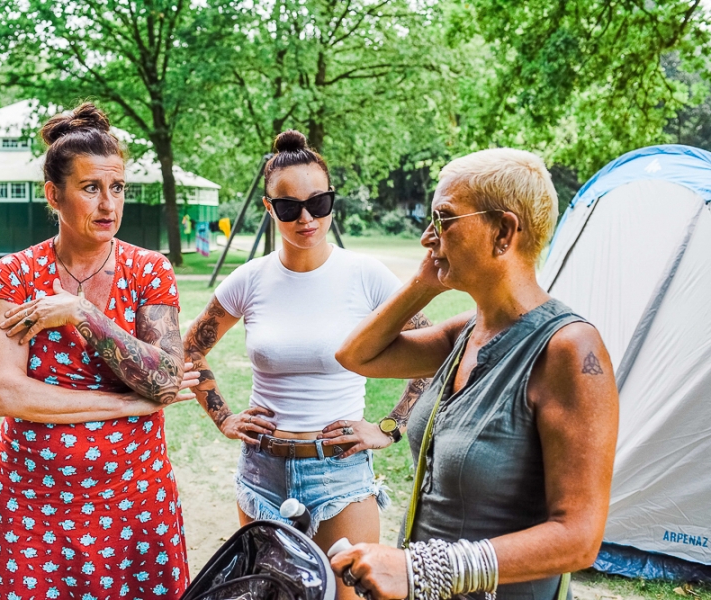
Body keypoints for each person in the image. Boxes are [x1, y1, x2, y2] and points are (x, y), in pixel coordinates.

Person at [331, 148, 619, 600]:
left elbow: (579, 539)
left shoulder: (569, 349)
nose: (429, 236)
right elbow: (356, 355)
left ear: (503, 230)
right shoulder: (467, 331)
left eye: (444, 219)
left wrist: (419, 569)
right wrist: (424, 282)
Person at [182, 130, 431, 600]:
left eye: (318, 202)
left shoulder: (366, 276)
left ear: (331, 199)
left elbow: (435, 353)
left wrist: (390, 426)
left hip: (338, 471)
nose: (306, 217)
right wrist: (224, 417)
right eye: (288, 206)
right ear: (267, 207)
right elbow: (190, 349)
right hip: (262, 472)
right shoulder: (249, 280)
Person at [0, 103, 195, 600]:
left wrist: (83, 314)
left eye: (116, 187)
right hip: (34, 506)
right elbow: (6, 394)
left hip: (135, 501)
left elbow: (164, 379)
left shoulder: (149, 271)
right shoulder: (15, 275)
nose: (108, 205)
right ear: (54, 195)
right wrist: (127, 405)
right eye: (90, 188)